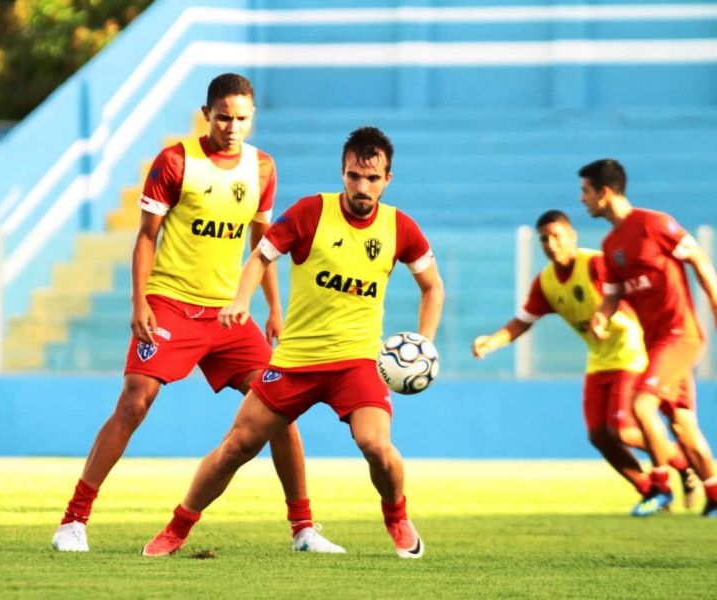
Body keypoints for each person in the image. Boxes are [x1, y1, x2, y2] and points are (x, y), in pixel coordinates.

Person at [52, 73, 342, 552]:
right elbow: (147, 236)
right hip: (170, 305)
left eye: (242, 118)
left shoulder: (263, 168)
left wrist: (272, 308)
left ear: (253, 118)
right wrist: (139, 300)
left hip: (228, 315)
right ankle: (73, 521)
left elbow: (262, 246)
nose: (232, 126)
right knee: (135, 400)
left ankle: (304, 530)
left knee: (279, 408)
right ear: (207, 114)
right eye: (224, 116)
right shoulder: (175, 161)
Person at [139, 126, 444, 558]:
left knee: (376, 445)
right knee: (236, 447)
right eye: (355, 175)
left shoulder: (400, 228)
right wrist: (242, 300)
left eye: (372, 178)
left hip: (356, 362)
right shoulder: (311, 212)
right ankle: (176, 528)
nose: (362, 186)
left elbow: (432, 287)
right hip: (296, 360)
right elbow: (261, 255)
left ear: (387, 180)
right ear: (343, 173)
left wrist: (424, 345)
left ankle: (396, 515)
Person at [472, 210, 697, 510]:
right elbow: (523, 321)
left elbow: (623, 293)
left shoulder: (596, 263)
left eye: (556, 236)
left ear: (571, 237)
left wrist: (610, 318)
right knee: (599, 435)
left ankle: (680, 463)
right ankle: (646, 488)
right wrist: (492, 341)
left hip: (630, 351)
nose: (550, 244)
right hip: (599, 359)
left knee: (623, 429)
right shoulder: (547, 282)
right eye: (544, 239)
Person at [581, 158, 717, 518]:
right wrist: (601, 315)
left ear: (604, 192)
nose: (582, 199)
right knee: (683, 426)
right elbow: (612, 295)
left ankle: (659, 487)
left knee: (641, 406)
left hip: (680, 335)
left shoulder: (654, 223)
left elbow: (699, 258)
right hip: (655, 341)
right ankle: (714, 492)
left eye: (586, 191)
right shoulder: (611, 246)